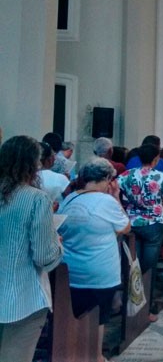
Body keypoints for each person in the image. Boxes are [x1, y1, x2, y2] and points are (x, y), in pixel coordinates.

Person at [57, 158, 130, 362]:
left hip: (70, 270)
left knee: (74, 315)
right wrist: (115, 197)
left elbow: (60, 227)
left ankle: (70, 352)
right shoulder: (106, 201)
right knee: (99, 318)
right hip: (100, 271)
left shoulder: (70, 199)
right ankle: (95, 356)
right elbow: (125, 227)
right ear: (106, 179)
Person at [0, 136, 63, 361]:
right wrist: (57, 244)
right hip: (21, 295)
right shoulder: (36, 199)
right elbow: (44, 257)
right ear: (32, 164)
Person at [117, 143, 163, 321]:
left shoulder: (127, 175)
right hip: (153, 224)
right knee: (148, 268)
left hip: (132, 224)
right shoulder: (160, 176)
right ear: (156, 159)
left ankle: (129, 305)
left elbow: (113, 192)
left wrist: (126, 208)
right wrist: (156, 207)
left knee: (133, 265)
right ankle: (146, 310)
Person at [38, 141, 70, 208]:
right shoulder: (60, 178)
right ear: (49, 159)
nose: (55, 158)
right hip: (57, 216)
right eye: (54, 155)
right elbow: (69, 199)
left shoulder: (25, 177)